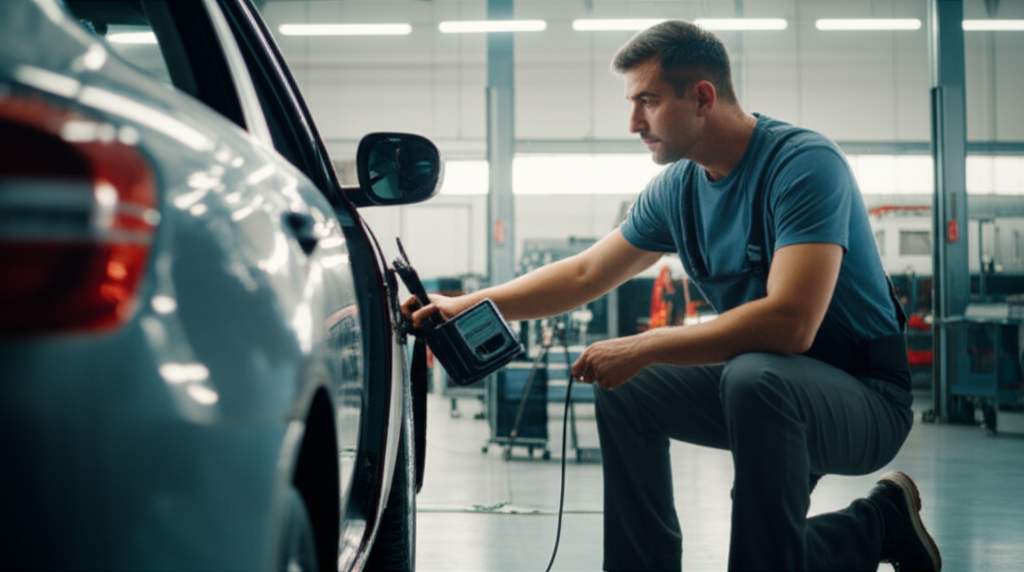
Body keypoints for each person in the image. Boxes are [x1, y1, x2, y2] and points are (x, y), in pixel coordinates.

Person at [404, 20, 941, 572]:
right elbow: (586, 273)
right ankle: (874, 525)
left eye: (648, 102)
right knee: (631, 386)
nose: (634, 122)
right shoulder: (678, 188)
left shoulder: (802, 166)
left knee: (749, 379)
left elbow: (791, 323)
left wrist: (649, 344)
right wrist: (463, 304)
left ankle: (867, 526)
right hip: (767, 384)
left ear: (702, 97)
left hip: (865, 396)